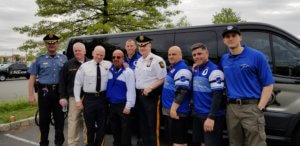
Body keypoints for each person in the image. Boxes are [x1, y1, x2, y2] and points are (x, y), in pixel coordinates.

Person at [220, 25, 274, 146]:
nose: (230, 38)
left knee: (256, 143)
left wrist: (260, 106)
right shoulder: (224, 59)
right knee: (234, 143)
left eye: (234, 35)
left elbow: (268, 84)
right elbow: (216, 76)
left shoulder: (257, 56)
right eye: (227, 37)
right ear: (224, 41)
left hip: (251, 107)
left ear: (240, 38)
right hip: (231, 108)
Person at [28, 33, 67, 146]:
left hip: (59, 93)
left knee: (59, 120)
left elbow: (67, 77)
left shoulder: (64, 58)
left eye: (54, 43)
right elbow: (32, 77)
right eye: (49, 43)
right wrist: (31, 95)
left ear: (57, 44)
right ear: (45, 45)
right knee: (44, 121)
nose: (51, 45)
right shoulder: (39, 59)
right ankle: (43, 143)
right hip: (44, 93)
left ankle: (59, 143)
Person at [73, 46, 112, 146]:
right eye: (97, 54)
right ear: (93, 53)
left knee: (102, 126)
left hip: (103, 99)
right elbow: (77, 84)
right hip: (89, 99)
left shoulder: (108, 65)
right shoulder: (84, 66)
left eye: (101, 55)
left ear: (104, 55)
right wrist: (78, 100)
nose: (99, 57)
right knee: (89, 127)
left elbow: (118, 70)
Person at [134, 35, 167, 146]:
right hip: (140, 96)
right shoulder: (139, 60)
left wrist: (151, 87)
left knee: (152, 126)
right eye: (140, 46)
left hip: (151, 97)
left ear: (150, 46)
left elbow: (163, 78)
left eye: (144, 45)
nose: (142, 48)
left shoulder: (157, 60)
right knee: (143, 125)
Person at [191, 43, 225, 146]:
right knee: (202, 142)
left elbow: (217, 96)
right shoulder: (196, 69)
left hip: (210, 116)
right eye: (194, 55)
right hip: (198, 113)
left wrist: (211, 117)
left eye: (199, 53)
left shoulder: (215, 71)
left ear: (207, 53)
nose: (197, 57)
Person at [59, 42, 89, 146]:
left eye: (79, 50)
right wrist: (62, 97)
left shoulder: (91, 63)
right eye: (75, 50)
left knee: (88, 122)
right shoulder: (68, 64)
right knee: (73, 122)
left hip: (88, 98)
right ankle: (72, 144)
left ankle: (87, 142)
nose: (77, 52)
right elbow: (62, 82)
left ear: (84, 51)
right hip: (73, 98)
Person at [161, 46, 192, 146]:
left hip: (177, 112)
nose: (171, 56)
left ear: (181, 55)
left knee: (178, 142)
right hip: (171, 111)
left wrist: (173, 109)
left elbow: (182, 91)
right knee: (175, 141)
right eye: (169, 54)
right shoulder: (174, 67)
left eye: (174, 54)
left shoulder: (182, 69)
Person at [106, 49, 136, 146]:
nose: (116, 59)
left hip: (123, 105)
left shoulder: (128, 72)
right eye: (114, 57)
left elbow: (131, 90)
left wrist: (128, 106)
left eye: (118, 57)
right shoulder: (109, 71)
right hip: (112, 105)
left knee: (125, 130)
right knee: (115, 129)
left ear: (123, 58)